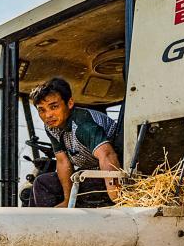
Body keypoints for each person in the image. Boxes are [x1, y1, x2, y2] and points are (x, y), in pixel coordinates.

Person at [27, 78, 123, 208]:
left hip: (113, 170)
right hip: (89, 172)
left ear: (70, 103)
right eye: (41, 110)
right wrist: (67, 200)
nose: (48, 115)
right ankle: (43, 225)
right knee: (43, 183)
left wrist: (119, 200)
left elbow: (107, 156)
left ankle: (53, 224)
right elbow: (62, 161)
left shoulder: (82, 124)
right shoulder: (51, 126)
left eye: (54, 107)